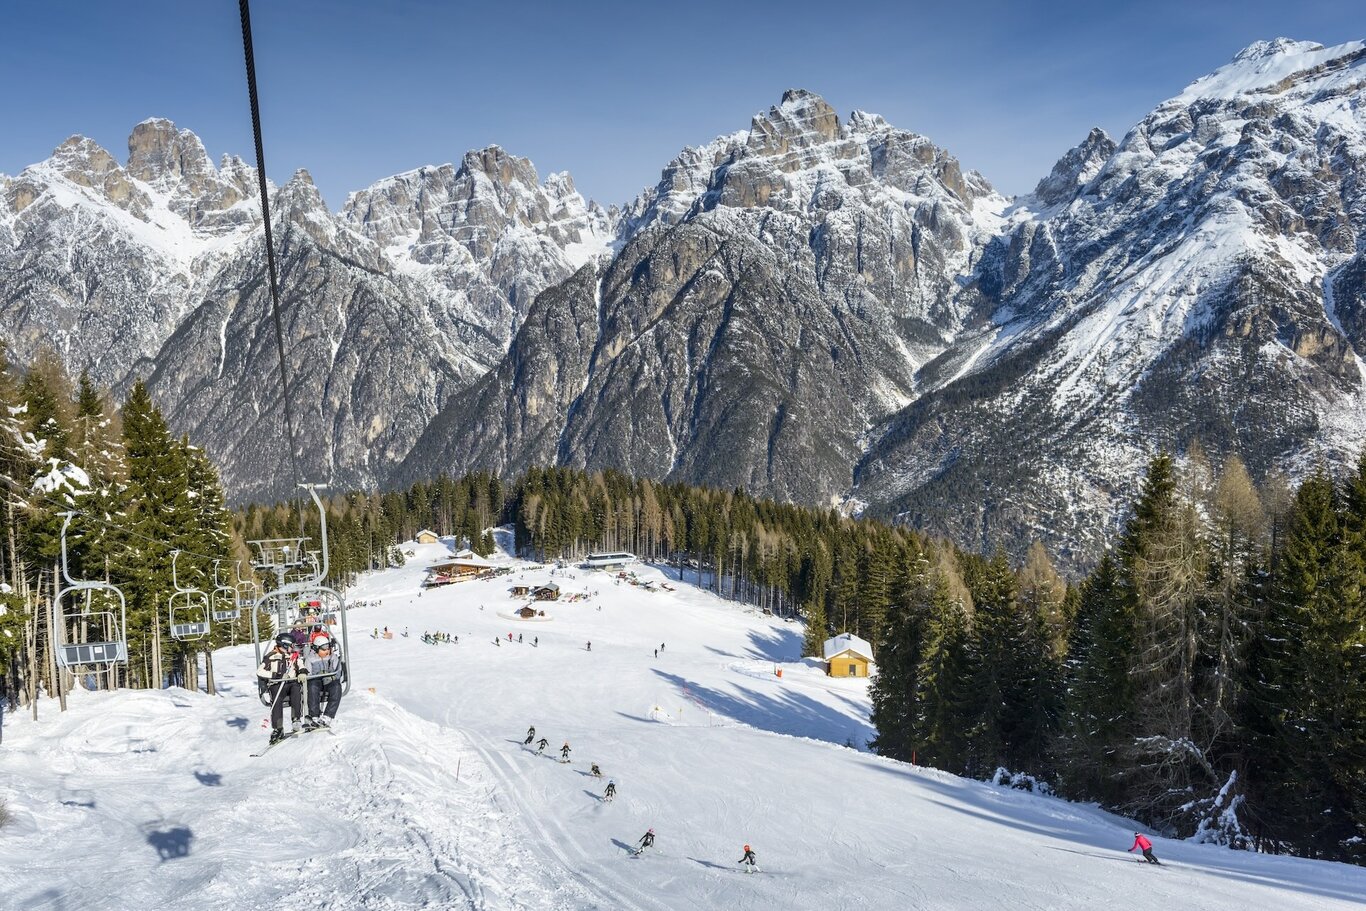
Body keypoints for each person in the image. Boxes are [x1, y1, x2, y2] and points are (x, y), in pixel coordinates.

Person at [257, 633, 306, 744]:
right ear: (284, 645)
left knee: (296, 691)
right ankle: (278, 728)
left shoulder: (293, 656)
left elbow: (300, 664)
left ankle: (296, 719)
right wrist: (276, 675)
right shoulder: (271, 657)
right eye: (291, 646)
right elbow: (259, 671)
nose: (293, 648)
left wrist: (302, 671)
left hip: (291, 682)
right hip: (277, 684)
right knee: (277, 700)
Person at [304, 634, 344, 729]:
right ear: (316, 648)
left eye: (328, 648)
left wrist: (332, 677)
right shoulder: (310, 659)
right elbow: (308, 674)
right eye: (324, 648)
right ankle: (314, 716)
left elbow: (338, 671)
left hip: (329, 680)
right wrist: (317, 675)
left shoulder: (332, 657)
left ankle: (327, 716)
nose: (327, 651)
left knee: (336, 687)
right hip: (316, 680)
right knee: (312, 687)